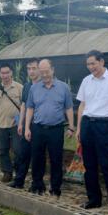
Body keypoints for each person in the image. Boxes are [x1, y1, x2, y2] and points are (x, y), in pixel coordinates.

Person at [76, 50, 108, 214]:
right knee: (89, 165)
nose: (91, 67)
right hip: (87, 124)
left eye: (93, 63)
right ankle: (94, 199)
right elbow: (82, 105)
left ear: (102, 62)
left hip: (104, 125)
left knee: (107, 164)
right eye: (88, 64)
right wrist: (78, 128)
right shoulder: (86, 81)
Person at [25, 59, 75, 197]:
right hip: (38, 128)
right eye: (42, 72)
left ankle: (55, 188)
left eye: (47, 71)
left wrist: (71, 126)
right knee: (37, 158)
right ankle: (37, 185)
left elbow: (69, 108)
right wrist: (27, 128)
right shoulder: (34, 88)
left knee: (56, 159)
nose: (45, 75)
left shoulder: (63, 87)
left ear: (52, 70)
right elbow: (30, 108)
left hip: (56, 129)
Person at [8, 59, 40, 189]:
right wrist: (20, 123)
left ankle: (36, 183)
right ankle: (19, 180)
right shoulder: (27, 86)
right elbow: (23, 105)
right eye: (29, 68)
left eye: (34, 68)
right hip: (26, 124)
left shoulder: (44, 85)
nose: (31, 71)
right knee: (22, 154)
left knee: (37, 155)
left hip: (39, 125)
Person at [0, 63, 23, 183]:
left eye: (7, 72)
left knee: (18, 150)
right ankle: (7, 172)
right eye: (2, 73)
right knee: (3, 150)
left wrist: (23, 123)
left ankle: (19, 173)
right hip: (1, 124)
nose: (5, 75)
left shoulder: (19, 87)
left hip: (16, 124)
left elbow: (24, 106)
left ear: (11, 73)